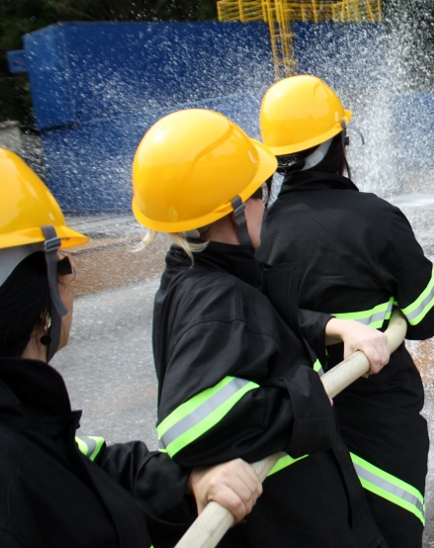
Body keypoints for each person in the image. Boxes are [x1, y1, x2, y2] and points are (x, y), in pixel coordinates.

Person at [0, 142, 261, 548]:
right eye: (63, 263)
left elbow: (75, 458)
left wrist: (184, 481)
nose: (71, 278)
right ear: (39, 290)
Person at [131, 108, 389, 548]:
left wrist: (329, 326)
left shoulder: (197, 274)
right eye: (261, 191)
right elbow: (188, 424)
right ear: (232, 210)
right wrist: (309, 393)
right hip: (292, 522)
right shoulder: (218, 297)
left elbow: (259, 330)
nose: (268, 202)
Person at [256, 75, 434, 548]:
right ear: (340, 143)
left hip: (301, 436)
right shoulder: (376, 218)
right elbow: (429, 314)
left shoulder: (260, 234)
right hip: (382, 428)